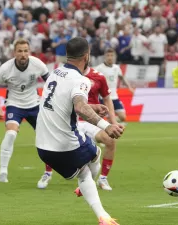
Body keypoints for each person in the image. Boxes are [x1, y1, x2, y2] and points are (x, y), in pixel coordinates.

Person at [35, 37, 124, 225]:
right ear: (86, 56)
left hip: (42, 147)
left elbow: (62, 102)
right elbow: (80, 108)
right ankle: (103, 216)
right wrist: (107, 126)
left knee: (90, 159)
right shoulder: (81, 80)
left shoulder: (55, 73)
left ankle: (94, 202)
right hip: (65, 144)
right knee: (94, 158)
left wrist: (92, 105)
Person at [0, 39, 50, 183]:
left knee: (46, 138)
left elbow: (51, 82)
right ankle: (3, 171)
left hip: (34, 104)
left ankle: (48, 172)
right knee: (11, 134)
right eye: (20, 51)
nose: (23, 54)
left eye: (25, 51)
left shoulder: (38, 64)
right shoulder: (5, 69)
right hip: (14, 105)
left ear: (29, 52)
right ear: (14, 53)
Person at [79, 67, 119, 191]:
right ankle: (47, 173)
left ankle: (103, 179)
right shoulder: (68, 74)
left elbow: (107, 98)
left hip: (92, 120)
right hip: (73, 120)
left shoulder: (99, 76)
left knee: (110, 140)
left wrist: (113, 122)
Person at [95, 48, 134, 123]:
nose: (110, 57)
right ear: (105, 57)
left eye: (112, 55)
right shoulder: (99, 68)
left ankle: (110, 123)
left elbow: (122, 77)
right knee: (105, 118)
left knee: (123, 117)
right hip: (104, 98)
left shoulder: (116, 68)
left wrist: (129, 87)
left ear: (115, 57)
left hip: (114, 97)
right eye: (108, 55)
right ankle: (109, 125)